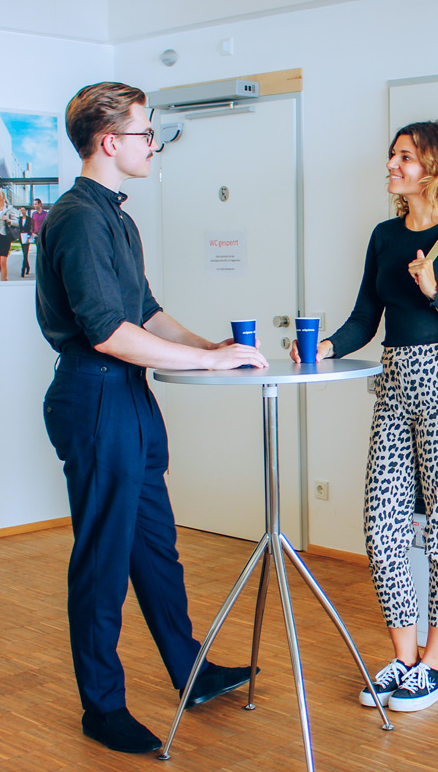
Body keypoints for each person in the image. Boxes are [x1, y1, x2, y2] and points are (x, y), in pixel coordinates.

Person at [36, 81, 268, 754]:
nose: (153, 144)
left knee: (155, 549)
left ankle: (191, 672)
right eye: (145, 133)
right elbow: (109, 332)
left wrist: (209, 349)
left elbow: (146, 312)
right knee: (103, 561)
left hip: (128, 397)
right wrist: (205, 364)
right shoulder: (77, 220)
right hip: (94, 397)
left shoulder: (117, 219)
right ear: (109, 142)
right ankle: (102, 707)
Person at [292, 121, 438, 712]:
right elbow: (366, 316)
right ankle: (404, 658)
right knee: (382, 525)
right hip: (394, 385)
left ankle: (435, 665)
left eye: (406, 157)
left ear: (435, 167)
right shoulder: (385, 235)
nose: (393, 165)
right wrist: (326, 346)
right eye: (393, 155)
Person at [23, 198, 47, 277]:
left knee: (44, 253)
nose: (34, 206)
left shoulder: (46, 214)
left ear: (40, 204)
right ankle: (40, 270)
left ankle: (45, 269)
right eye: (34, 204)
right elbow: (32, 224)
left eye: (36, 204)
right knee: (39, 253)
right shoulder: (34, 214)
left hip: (43, 235)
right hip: (36, 236)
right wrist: (32, 232)